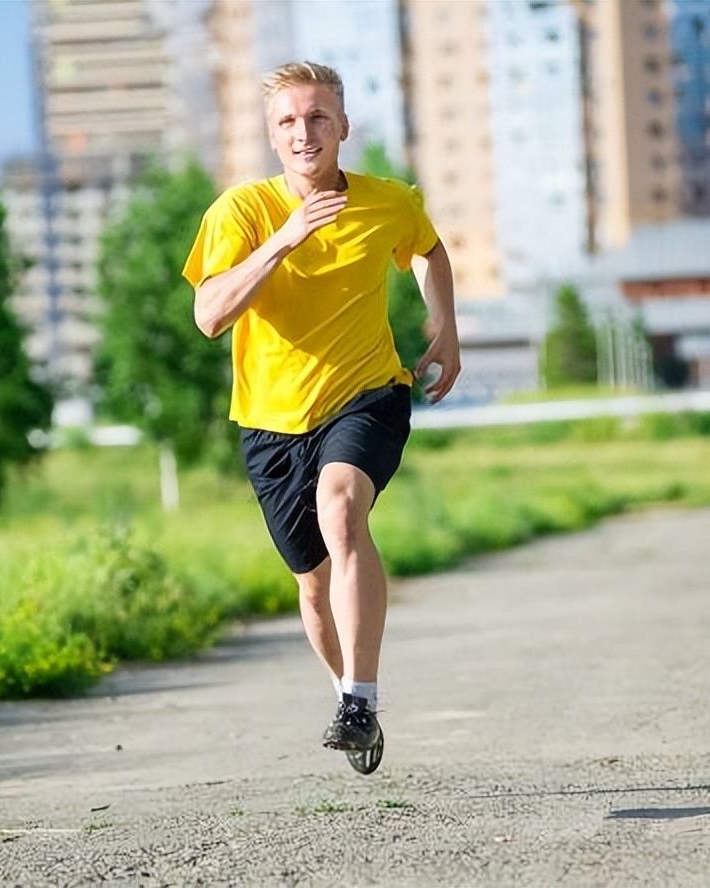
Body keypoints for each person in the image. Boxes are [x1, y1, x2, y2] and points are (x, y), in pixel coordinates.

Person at [182, 61, 460, 775]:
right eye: (287, 121)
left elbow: (426, 248)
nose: (303, 132)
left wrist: (444, 324)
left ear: (342, 127)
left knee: (343, 514)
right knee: (311, 583)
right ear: (271, 135)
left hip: (367, 394)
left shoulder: (386, 201)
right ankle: (347, 695)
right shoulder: (240, 213)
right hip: (271, 422)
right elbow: (210, 315)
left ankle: (362, 698)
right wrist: (284, 239)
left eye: (317, 118)